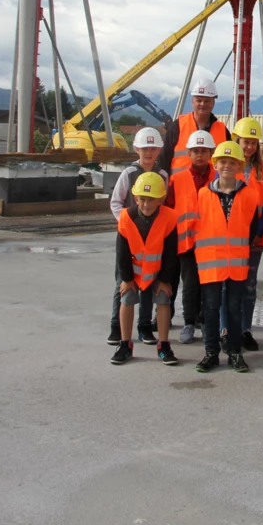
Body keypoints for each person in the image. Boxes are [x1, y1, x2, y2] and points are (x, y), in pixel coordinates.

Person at [194, 141, 263, 373]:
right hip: (211, 262)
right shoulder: (202, 195)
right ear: (215, 164)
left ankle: (234, 352)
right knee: (211, 308)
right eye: (222, 161)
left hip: (236, 262)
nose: (226, 166)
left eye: (231, 162)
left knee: (234, 307)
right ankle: (211, 352)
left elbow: (252, 227)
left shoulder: (249, 195)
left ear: (239, 166)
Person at [107, 127, 169, 348]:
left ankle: (144, 326)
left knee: (148, 283)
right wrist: (127, 225)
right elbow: (116, 202)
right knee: (123, 282)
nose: (148, 153)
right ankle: (117, 326)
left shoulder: (163, 176)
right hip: (130, 239)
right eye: (144, 148)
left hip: (152, 241)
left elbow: (163, 205)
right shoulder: (128, 173)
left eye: (152, 148)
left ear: (159, 150)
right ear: (136, 149)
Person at [112, 172, 181, 367]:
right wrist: (127, 279)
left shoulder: (170, 217)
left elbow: (170, 254)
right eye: (142, 199)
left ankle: (164, 344)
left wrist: (164, 280)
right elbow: (121, 252)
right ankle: (125, 345)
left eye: (151, 200)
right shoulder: (126, 217)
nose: (146, 204)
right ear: (135, 198)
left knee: (163, 300)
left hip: (158, 273)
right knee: (126, 300)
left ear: (161, 199)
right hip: (133, 273)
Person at [230, 117, 263, 352]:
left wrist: (259, 231)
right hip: (231, 238)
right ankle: (227, 330)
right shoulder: (227, 166)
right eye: (245, 141)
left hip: (254, 239)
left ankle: (246, 330)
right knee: (229, 287)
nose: (248, 147)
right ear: (236, 140)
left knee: (249, 287)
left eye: (253, 143)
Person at [167, 129, 217, 344]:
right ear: (188, 152)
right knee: (189, 285)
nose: (199, 155)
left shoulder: (219, 177)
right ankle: (189, 323)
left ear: (211, 153)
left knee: (208, 285)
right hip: (186, 242)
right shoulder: (177, 180)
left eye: (204, 151)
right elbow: (169, 210)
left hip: (211, 242)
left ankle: (205, 321)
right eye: (196, 151)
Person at [161, 78, 229, 175]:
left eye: (207, 101)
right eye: (199, 100)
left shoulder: (222, 131)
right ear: (192, 101)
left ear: (213, 103)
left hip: (212, 188)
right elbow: (164, 159)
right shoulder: (178, 126)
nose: (202, 104)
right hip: (181, 187)